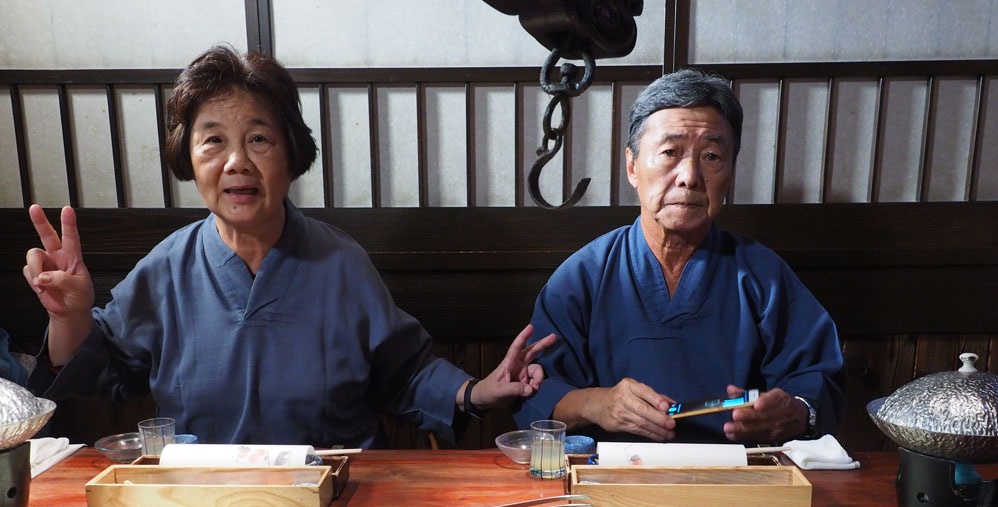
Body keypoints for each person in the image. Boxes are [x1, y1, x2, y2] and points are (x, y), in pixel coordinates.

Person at [23, 44, 554, 449]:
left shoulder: (340, 263)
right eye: (213, 140)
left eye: (258, 138)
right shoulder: (166, 268)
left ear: (290, 153)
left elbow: (406, 375)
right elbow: (105, 370)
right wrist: (70, 317)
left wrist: (477, 392)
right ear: (187, 156)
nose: (236, 162)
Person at [515, 68, 844, 445]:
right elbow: (532, 388)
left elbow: (819, 382)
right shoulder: (582, 277)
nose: (689, 176)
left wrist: (795, 413)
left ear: (730, 171)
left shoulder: (763, 277)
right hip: (609, 482)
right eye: (670, 152)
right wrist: (596, 404)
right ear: (632, 166)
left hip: (737, 485)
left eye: (711, 156)